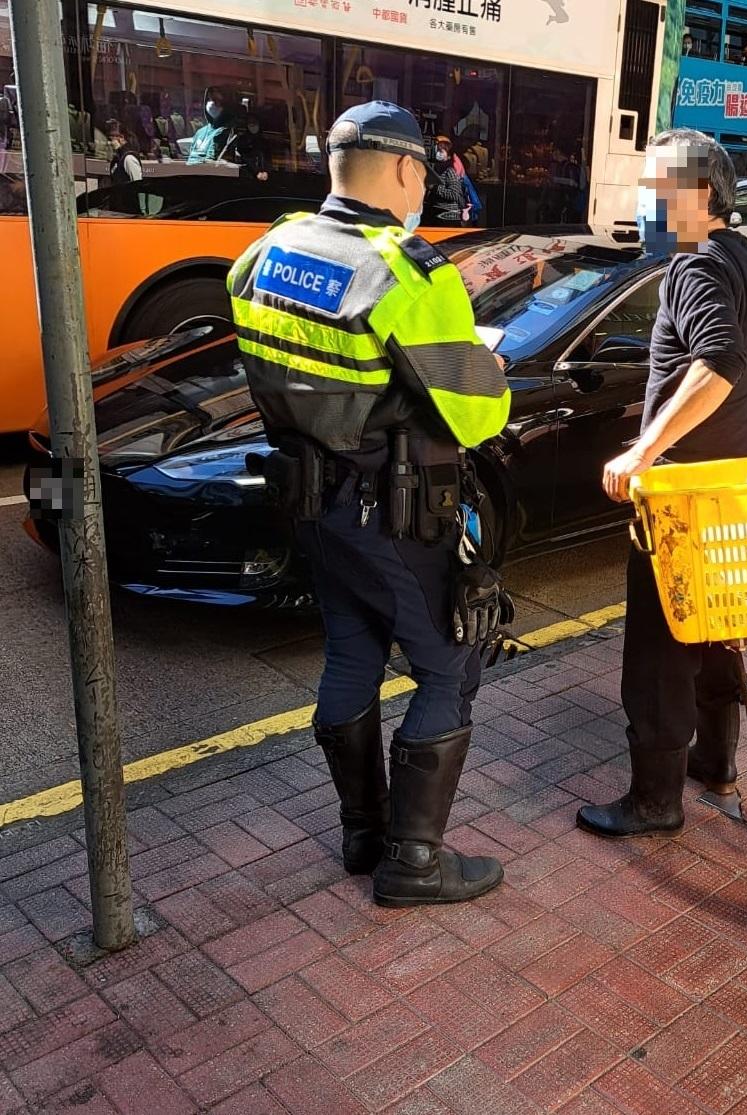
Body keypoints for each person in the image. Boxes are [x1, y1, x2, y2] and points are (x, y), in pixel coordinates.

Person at [227, 101, 513, 908]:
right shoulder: (404, 272)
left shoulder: (267, 250)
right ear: (401, 168)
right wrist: (484, 371)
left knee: (351, 655)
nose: (423, 188)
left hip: (312, 503)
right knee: (449, 667)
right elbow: (476, 415)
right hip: (393, 513)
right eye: (424, 173)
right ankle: (413, 861)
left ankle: (363, 833)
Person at [575, 129, 747, 838]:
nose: (646, 199)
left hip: (680, 499)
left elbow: (720, 361)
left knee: (659, 647)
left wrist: (644, 450)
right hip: (733, 487)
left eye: (656, 186)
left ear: (698, 195)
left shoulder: (694, 266)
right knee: (718, 629)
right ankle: (716, 760)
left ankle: (654, 801)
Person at [424, 135, 470, 227]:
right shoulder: (435, 169)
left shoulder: (449, 171)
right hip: (435, 214)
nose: (439, 153)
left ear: (448, 155)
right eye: (437, 150)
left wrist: (434, 187)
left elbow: (454, 194)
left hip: (448, 217)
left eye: (442, 150)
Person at [187, 86, 238, 164]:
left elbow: (214, 162)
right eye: (209, 99)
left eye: (217, 101)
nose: (212, 104)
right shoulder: (200, 132)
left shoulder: (228, 132)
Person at [235, 113, 271, 182]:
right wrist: (256, 172)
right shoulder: (242, 140)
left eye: (254, 122)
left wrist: (266, 171)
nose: (252, 125)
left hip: (264, 178)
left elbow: (268, 157)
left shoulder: (264, 141)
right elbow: (244, 158)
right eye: (250, 123)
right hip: (247, 178)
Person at [106, 120, 143, 185]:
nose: (112, 140)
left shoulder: (129, 159)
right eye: (111, 136)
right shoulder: (117, 158)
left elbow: (138, 184)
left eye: (115, 136)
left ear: (122, 138)